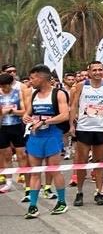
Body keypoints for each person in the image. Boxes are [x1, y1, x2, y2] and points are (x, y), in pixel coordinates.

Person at [22, 64, 70, 218]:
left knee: (54, 169)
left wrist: (44, 122)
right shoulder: (34, 94)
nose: (30, 81)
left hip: (52, 135)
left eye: (33, 77)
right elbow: (28, 113)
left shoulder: (58, 93)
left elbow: (64, 115)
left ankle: (62, 202)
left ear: (42, 77)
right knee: (35, 172)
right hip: (35, 136)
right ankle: (33, 206)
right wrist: (25, 117)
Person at [68, 60, 103, 207]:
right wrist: (71, 125)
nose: (97, 72)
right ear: (89, 72)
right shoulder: (82, 85)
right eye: (94, 70)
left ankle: (99, 192)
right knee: (82, 162)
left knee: (99, 163)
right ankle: (79, 192)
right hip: (84, 128)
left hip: (101, 128)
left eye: (100, 70)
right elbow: (74, 105)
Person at [0, 72, 28, 194]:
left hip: (17, 126)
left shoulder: (18, 93)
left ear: (10, 84)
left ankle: (26, 180)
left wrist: (12, 110)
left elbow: (24, 111)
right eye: (1, 86)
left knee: (21, 155)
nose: (3, 88)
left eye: (5, 86)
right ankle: (8, 182)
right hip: (2, 128)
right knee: (6, 156)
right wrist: (2, 112)